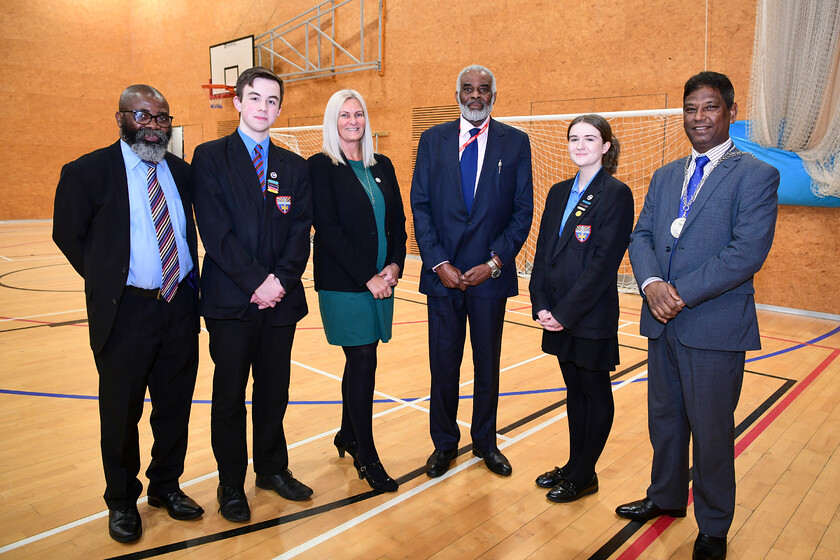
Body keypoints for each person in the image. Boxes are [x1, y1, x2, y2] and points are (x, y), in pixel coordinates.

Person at [616, 72, 779, 560]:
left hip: (712, 325)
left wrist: (678, 293)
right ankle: (665, 497)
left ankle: (713, 526)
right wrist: (650, 285)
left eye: (709, 108)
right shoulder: (667, 175)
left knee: (710, 432)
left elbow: (746, 252)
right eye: (691, 109)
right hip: (661, 322)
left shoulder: (755, 174)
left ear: (730, 111)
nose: (699, 118)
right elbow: (641, 235)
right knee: (664, 420)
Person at [53, 85, 203, 543]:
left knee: (174, 407)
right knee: (121, 413)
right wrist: (111, 279)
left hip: (179, 305)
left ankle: (165, 486)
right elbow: (68, 235)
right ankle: (121, 500)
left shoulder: (181, 171)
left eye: (162, 118)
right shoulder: (87, 172)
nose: (155, 126)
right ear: (120, 117)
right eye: (144, 116)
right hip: (127, 311)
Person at [190, 66, 313, 523]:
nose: (264, 108)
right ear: (238, 102)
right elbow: (215, 232)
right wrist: (255, 283)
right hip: (232, 301)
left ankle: (272, 469)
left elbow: (301, 232)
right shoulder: (209, 157)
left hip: (280, 302)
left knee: (274, 391)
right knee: (228, 396)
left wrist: (279, 281)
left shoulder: (294, 167)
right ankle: (229, 482)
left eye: (272, 101)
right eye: (256, 99)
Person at [410, 64, 533, 478]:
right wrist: (439, 262)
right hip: (442, 278)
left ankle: (485, 442)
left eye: (483, 89)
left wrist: (495, 263)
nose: (475, 95)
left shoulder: (515, 143)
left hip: (488, 279)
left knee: (487, 365)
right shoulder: (432, 140)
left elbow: (522, 211)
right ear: (457, 94)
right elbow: (421, 205)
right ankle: (444, 444)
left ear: (494, 95)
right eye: (468, 89)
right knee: (443, 367)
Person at [529, 115, 634, 503]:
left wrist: (565, 313)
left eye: (590, 138)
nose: (581, 145)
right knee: (573, 388)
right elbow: (542, 254)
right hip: (555, 313)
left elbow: (604, 264)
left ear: (606, 146)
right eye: (574, 138)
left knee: (593, 388)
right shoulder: (558, 192)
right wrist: (540, 303)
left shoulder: (616, 193)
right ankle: (574, 464)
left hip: (588, 316)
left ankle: (586, 472)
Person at [307, 89, 407, 492]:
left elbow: (398, 221)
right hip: (347, 284)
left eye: (359, 114)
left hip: (383, 281)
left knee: (363, 360)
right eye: (344, 115)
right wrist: (369, 276)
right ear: (333, 121)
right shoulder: (320, 166)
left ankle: (347, 434)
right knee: (363, 359)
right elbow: (326, 229)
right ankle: (367, 454)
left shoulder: (381, 164)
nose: (353, 121)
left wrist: (396, 263)